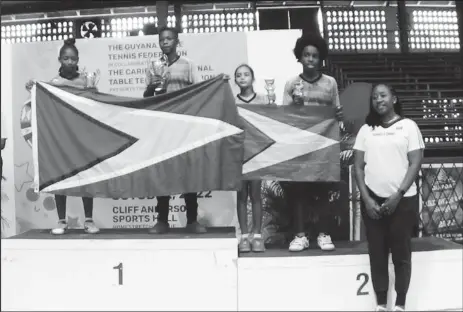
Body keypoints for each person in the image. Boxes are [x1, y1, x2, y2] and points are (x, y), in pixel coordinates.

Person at [353, 83, 424, 312]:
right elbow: (358, 167)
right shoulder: (366, 130)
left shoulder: (408, 127)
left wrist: (398, 195)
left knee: (401, 253)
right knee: (377, 253)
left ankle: (401, 304)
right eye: (374, 97)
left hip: (402, 201)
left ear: (394, 98)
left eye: (383, 95)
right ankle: (381, 304)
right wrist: (367, 199)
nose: (378, 100)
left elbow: (415, 162)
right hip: (373, 202)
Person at [25, 38, 99, 235]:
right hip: (63, 138)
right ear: (59, 59)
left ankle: (89, 220)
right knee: (60, 177)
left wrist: (93, 92)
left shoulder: (85, 81)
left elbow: (96, 105)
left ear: (78, 60)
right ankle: (61, 220)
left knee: (86, 178)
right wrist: (33, 88)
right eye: (66, 58)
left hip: (82, 137)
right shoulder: (54, 84)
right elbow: (45, 103)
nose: (69, 62)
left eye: (73, 59)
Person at [281, 33, 343, 252]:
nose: (310, 59)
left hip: (324, 146)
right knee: (299, 191)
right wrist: (295, 106)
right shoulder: (291, 84)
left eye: (315, 56)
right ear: (300, 57)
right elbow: (285, 118)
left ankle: (324, 234)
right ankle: (300, 236)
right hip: (300, 145)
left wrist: (339, 114)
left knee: (324, 190)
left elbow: (336, 113)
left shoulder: (331, 83)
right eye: (306, 54)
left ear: (320, 59)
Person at [143, 26, 206, 234]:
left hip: (185, 127)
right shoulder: (153, 66)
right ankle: (162, 220)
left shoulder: (189, 65)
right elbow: (146, 97)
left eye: (169, 39)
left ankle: (192, 221)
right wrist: (153, 85)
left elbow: (199, 93)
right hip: (162, 127)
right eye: (162, 39)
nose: (165, 42)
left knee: (188, 173)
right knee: (163, 173)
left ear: (176, 41)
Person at [234, 64, 266, 252]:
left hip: (257, 153)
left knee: (255, 195)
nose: (242, 78)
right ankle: (244, 236)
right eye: (239, 75)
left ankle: (258, 235)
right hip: (238, 154)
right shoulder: (232, 101)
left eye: (246, 74)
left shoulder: (262, 99)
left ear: (253, 78)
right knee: (241, 196)